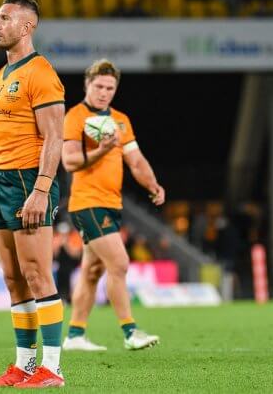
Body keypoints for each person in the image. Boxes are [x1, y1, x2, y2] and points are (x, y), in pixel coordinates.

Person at [0, 0, 66, 388]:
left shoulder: (41, 73)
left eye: (5, 18)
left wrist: (40, 190)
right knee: (13, 279)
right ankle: (24, 365)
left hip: (28, 179)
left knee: (38, 274)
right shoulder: (0, 76)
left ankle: (52, 370)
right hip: (3, 179)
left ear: (27, 27)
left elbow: (54, 136)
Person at [61, 58, 164, 351]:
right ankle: (131, 332)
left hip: (110, 202)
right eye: (99, 86)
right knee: (119, 263)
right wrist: (102, 150)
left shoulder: (121, 120)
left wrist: (152, 183)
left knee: (92, 271)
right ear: (87, 84)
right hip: (87, 202)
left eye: (110, 88)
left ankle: (75, 335)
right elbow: (69, 162)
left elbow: (136, 160)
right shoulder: (75, 117)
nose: (105, 92)